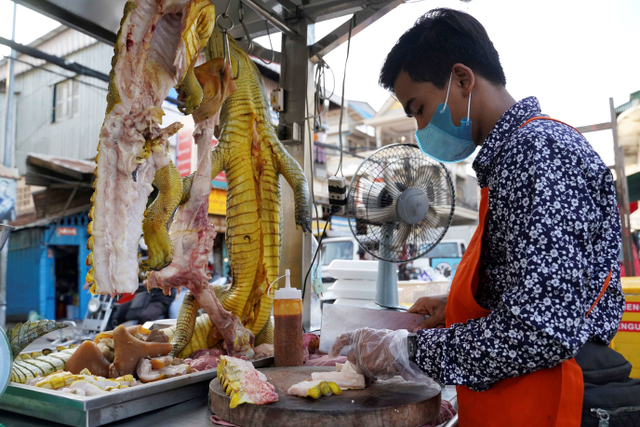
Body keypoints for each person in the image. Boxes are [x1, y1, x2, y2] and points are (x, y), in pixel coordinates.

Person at [330, 8, 624, 426]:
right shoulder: (509, 161)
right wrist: (456, 307)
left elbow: (540, 331)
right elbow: (531, 294)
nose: (419, 128)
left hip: (550, 404)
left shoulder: (539, 153)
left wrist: (404, 352)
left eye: (419, 108)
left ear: (463, 80)